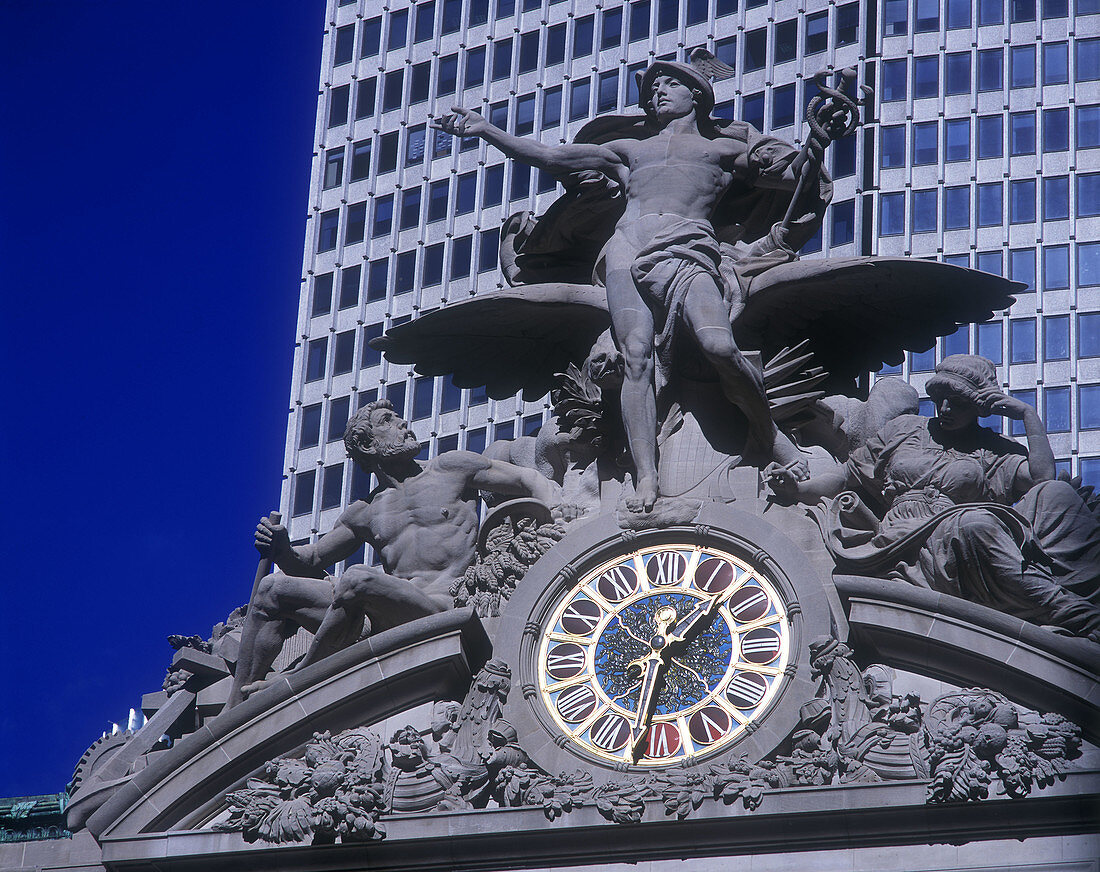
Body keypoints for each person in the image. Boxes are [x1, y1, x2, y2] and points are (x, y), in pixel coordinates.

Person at [432, 61, 823, 511]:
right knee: (635, 358)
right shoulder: (628, 150)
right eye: (653, 87)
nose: (658, 92)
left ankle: (770, 436)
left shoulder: (723, 151)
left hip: (687, 246)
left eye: (670, 84)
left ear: (697, 94)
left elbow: (796, 179)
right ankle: (646, 478)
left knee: (719, 347)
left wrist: (819, 141)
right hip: (626, 248)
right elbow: (549, 156)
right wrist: (487, 131)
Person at [227, 400, 562, 707]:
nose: (404, 423)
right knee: (272, 590)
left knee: (359, 578)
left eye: (401, 417)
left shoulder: (451, 467)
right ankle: (238, 705)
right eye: (389, 421)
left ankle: (296, 680)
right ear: (369, 444)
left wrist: (563, 516)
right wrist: (281, 546)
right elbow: (310, 561)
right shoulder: (364, 511)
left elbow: (529, 478)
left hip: (443, 604)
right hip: (381, 614)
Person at [767, 355, 1100, 641]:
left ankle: (1059, 606)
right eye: (941, 398)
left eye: (958, 402)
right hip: (905, 536)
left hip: (963, 532)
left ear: (979, 406)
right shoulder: (905, 429)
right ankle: (1071, 613)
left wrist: (1028, 416)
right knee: (977, 524)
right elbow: (844, 478)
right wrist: (797, 489)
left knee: (1050, 496)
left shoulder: (992, 449)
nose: (946, 408)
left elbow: (1043, 478)